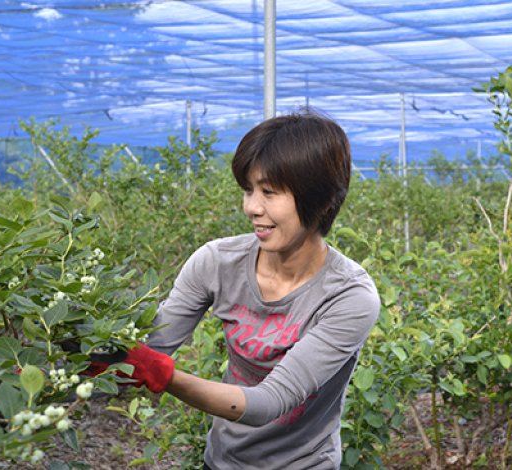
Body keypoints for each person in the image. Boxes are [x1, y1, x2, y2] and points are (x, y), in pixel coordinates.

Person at [109, 111, 381, 469]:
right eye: (249, 190)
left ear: (323, 200)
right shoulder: (217, 262)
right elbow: (148, 347)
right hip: (222, 460)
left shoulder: (348, 297)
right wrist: (64, 356)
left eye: (269, 192)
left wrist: (162, 374)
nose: (252, 207)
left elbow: (266, 404)